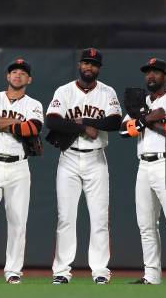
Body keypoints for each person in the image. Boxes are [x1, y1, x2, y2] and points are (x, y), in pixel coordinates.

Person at [46, 48, 122, 285]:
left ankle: (100, 270)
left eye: (94, 64)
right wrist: (81, 128)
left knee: (99, 217)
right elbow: (51, 120)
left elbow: (114, 121)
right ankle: (61, 271)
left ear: (99, 68)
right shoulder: (65, 91)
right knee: (66, 217)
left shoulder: (107, 92)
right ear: (79, 65)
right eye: (86, 63)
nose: (89, 67)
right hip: (68, 158)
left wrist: (86, 121)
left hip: (96, 158)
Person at [120, 58, 166, 285]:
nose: (150, 76)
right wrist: (150, 118)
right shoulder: (141, 102)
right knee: (146, 224)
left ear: (165, 76)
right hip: (143, 165)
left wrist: (142, 121)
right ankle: (152, 275)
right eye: (148, 72)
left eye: (156, 72)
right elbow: (124, 132)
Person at [0, 58, 44, 284]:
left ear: (29, 79)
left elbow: (34, 127)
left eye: (22, 73)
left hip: (19, 166)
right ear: (7, 76)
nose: (17, 75)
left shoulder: (34, 104)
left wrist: (3, 123)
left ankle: (13, 270)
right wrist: (17, 127)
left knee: (18, 220)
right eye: (14, 71)